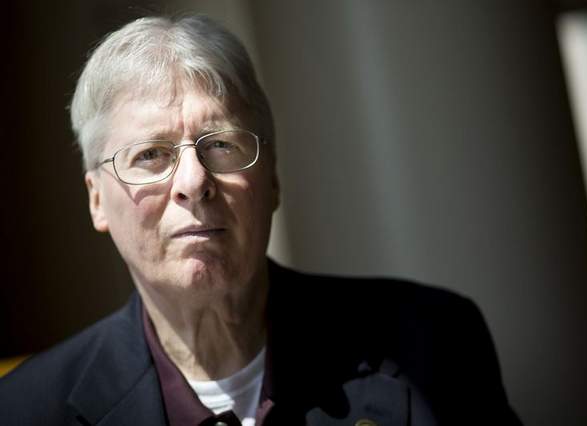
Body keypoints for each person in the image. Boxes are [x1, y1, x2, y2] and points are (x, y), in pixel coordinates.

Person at [0, 14, 521, 426]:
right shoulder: (23, 409)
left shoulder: (433, 341)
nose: (193, 181)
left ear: (272, 180)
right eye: (150, 155)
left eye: (222, 145)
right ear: (97, 201)